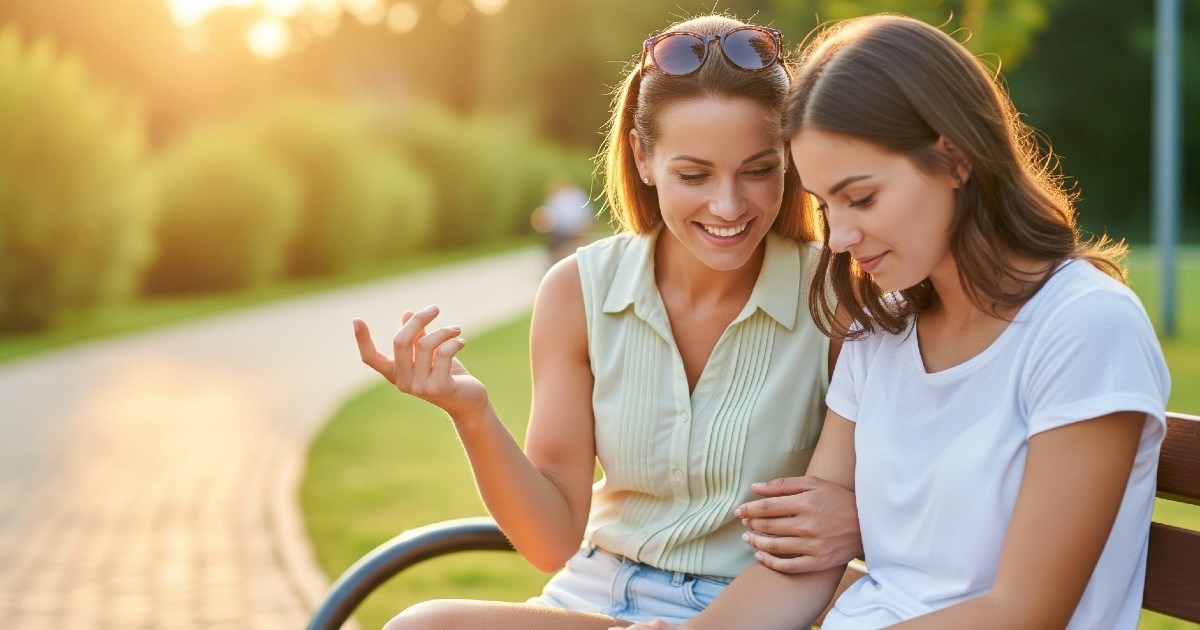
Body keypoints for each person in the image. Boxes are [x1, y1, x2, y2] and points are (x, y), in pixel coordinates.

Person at [622, 13, 1171, 630]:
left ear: (955, 158)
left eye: (861, 197)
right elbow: (798, 571)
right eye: (826, 205)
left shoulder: (1084, 327)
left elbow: (1024, 612)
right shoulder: (882, 325)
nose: (839, 237)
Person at [351, 14, 860, 630]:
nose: (728, 206)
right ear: (644, 157)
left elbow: (858, 524)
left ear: (792, 158)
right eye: (693, 175)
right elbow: (551, 541)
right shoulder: (578, 291)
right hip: (596, 601)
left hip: (751, 609)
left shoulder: (838, 298)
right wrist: (473, 412)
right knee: (419, 627)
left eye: (758, 170)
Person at [531, 176, 596, 264]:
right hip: (559, 231)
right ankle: (555, 259)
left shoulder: (577, 196)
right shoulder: (554, 198)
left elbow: (586, 215)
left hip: (577, 228)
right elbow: (548, 214)